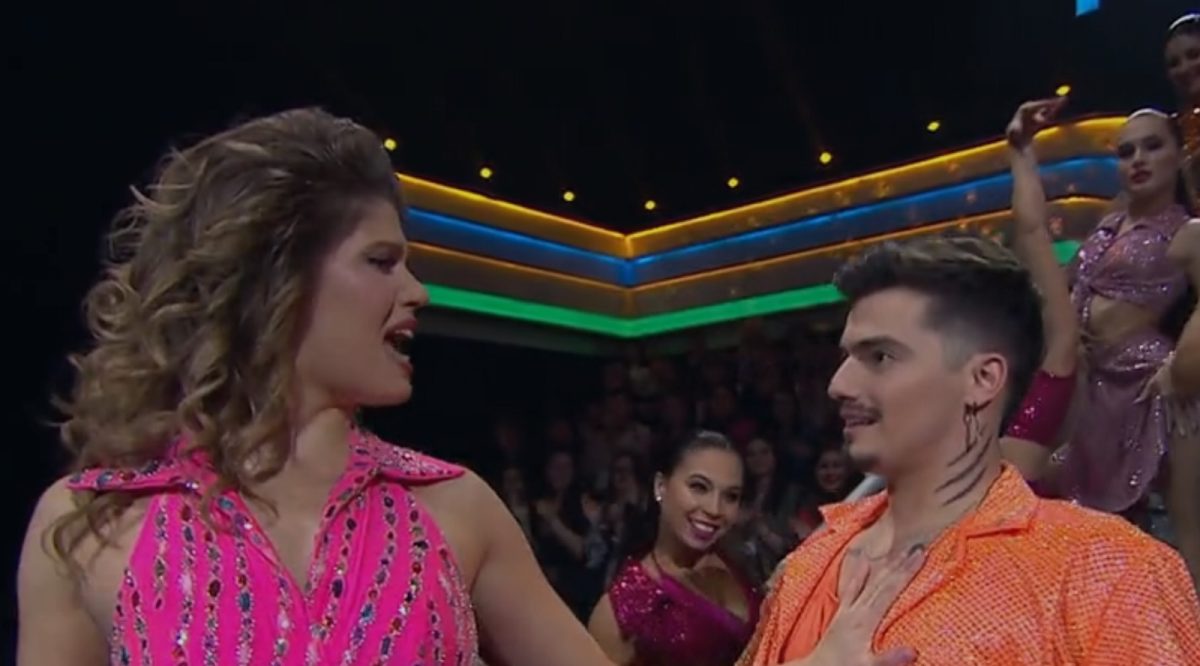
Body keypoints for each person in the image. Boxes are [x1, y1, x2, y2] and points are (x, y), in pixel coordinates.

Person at [15, 108, 613, 665]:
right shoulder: (88, 524)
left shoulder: (457, 508)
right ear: (276, 279)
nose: (417, 292)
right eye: (381, 261)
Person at [738, 237, 1200, 665]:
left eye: (880, 357)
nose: (839, 385)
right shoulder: (808, 562)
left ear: (983, 379)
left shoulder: (1105, 571)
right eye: (846, 357)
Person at [1005, 98, 1200, 585]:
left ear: (1179, 155)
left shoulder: (1187, 231)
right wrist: (1021, 150)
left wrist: (1181, 367)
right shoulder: (1105, 229)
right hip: (1088, 387)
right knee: (1077, 528)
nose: (1138, 159)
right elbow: (1034, 238)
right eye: (1126, 151)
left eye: (1152, 147)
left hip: (1154, 386)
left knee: (1187, 537)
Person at [587, 431, 758, 666]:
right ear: (660, 486)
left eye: (731, 496)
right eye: (699, 487)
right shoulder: (620, 611)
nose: (715, 509)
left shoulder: (738, 561)